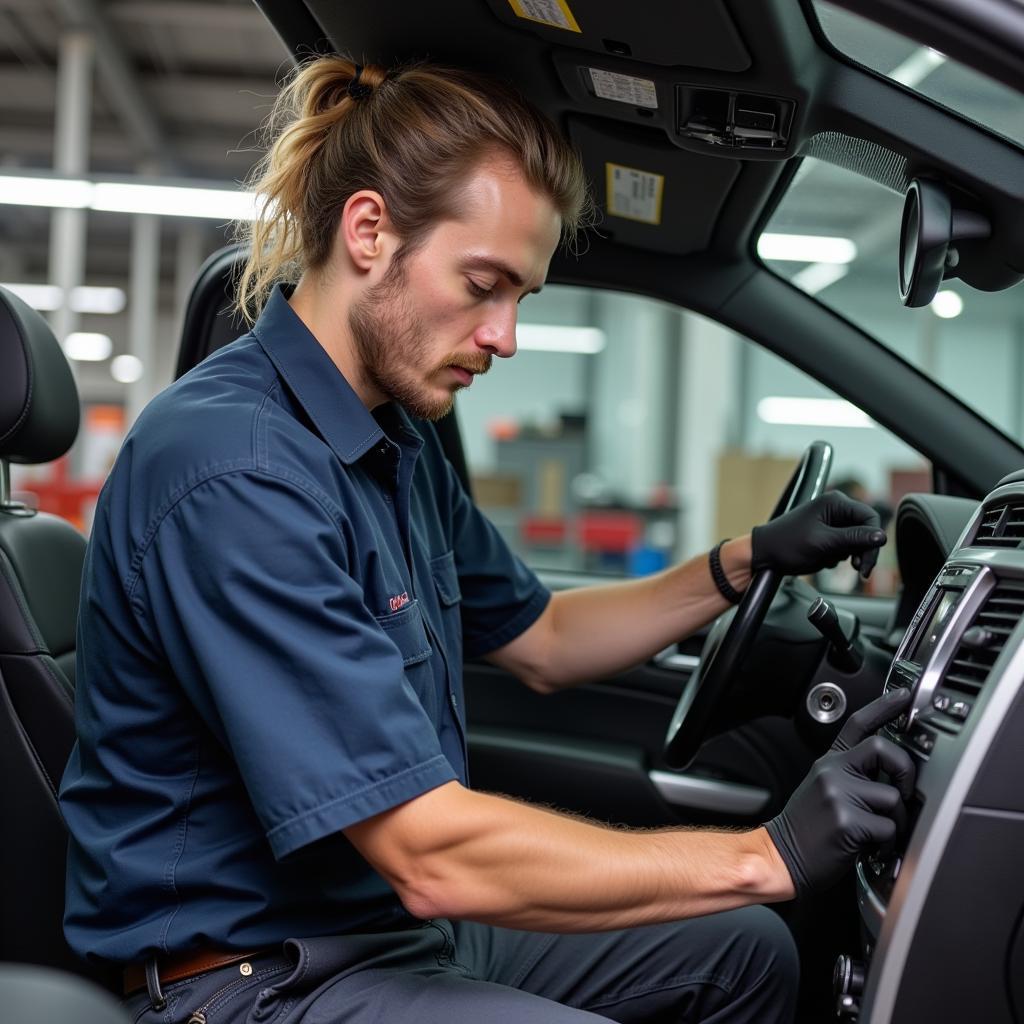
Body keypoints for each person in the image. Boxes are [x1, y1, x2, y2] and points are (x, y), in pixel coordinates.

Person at [59, 58, 915, 1024]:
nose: (504, 336)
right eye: (483, 283)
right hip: (252, 979)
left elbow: (544, 638)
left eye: (523, 298)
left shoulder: (393, 442)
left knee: (743, 953)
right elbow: (430, 853)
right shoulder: (235, 469)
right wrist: (771, 854)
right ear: (370, 231)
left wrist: (744, 561)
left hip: (382, 935)